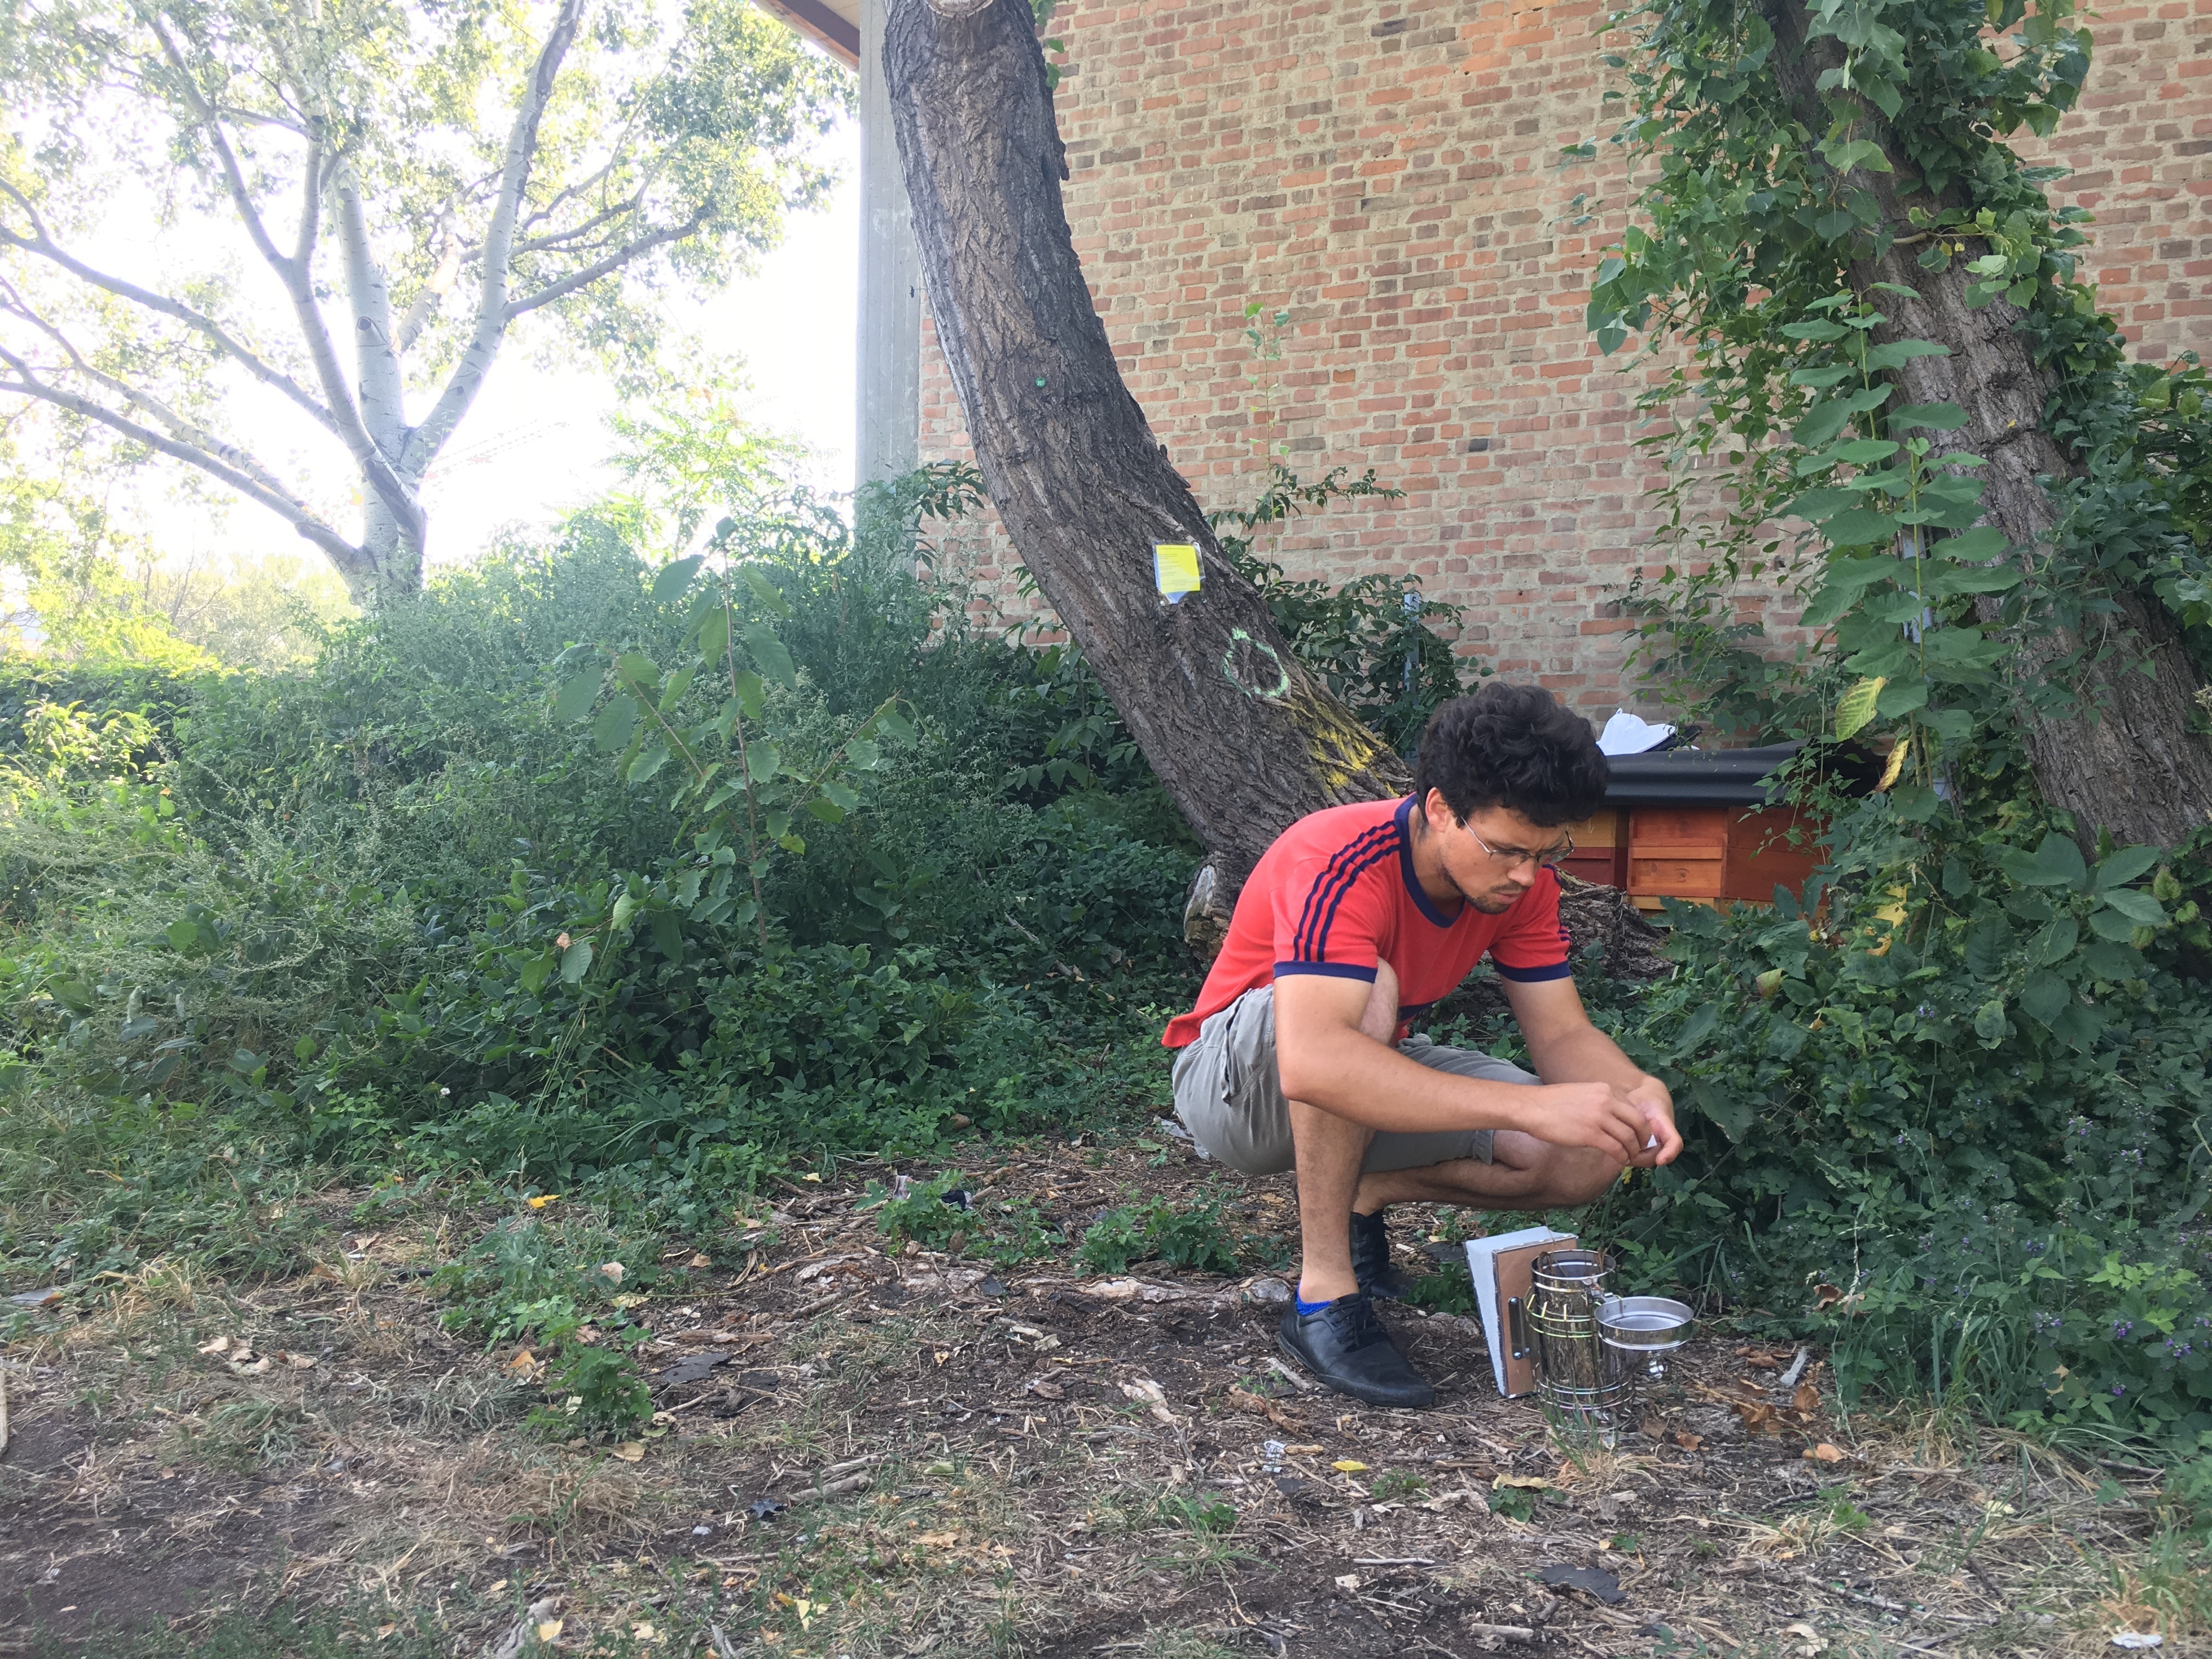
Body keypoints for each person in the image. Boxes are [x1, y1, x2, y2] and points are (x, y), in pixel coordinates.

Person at [1161, 682, 1682, 1407]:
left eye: (1547, 852)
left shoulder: (1524, 884)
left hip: (1353, 1070)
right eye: (1506, 850)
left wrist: (1635, 1091)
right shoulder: (1339, 857)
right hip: (1234, 1091)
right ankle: (1324, 1296)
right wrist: (1531, 1107)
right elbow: (1316, 1062)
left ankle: (1362, 1194)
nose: (1525, 875)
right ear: (1439, 808)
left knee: (1589, 1151)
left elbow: (1562, 1032)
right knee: (1371, 989)